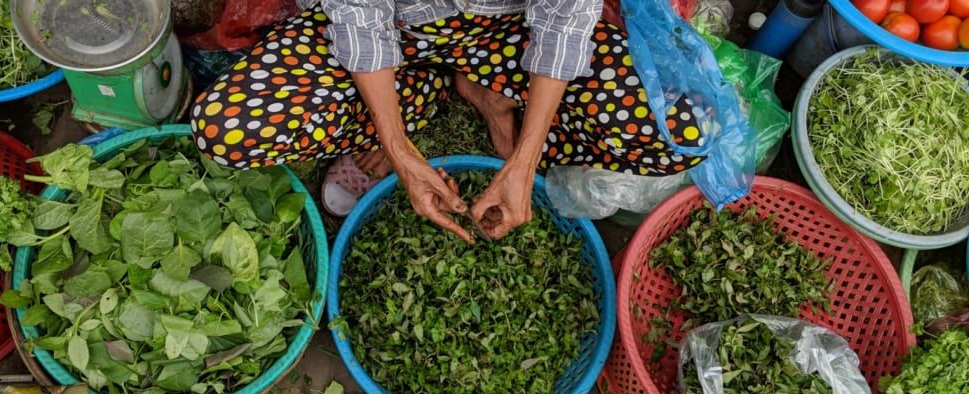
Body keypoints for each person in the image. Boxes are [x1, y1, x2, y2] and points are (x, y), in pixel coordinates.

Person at [191, 0, 705, 241]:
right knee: (226, 128)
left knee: (680, 134)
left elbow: (564, 23)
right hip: (392, 26)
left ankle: (484, 93)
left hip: (504, 31)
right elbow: (359, 18)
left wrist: (524, 161)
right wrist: (398, 149)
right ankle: (402, 107)